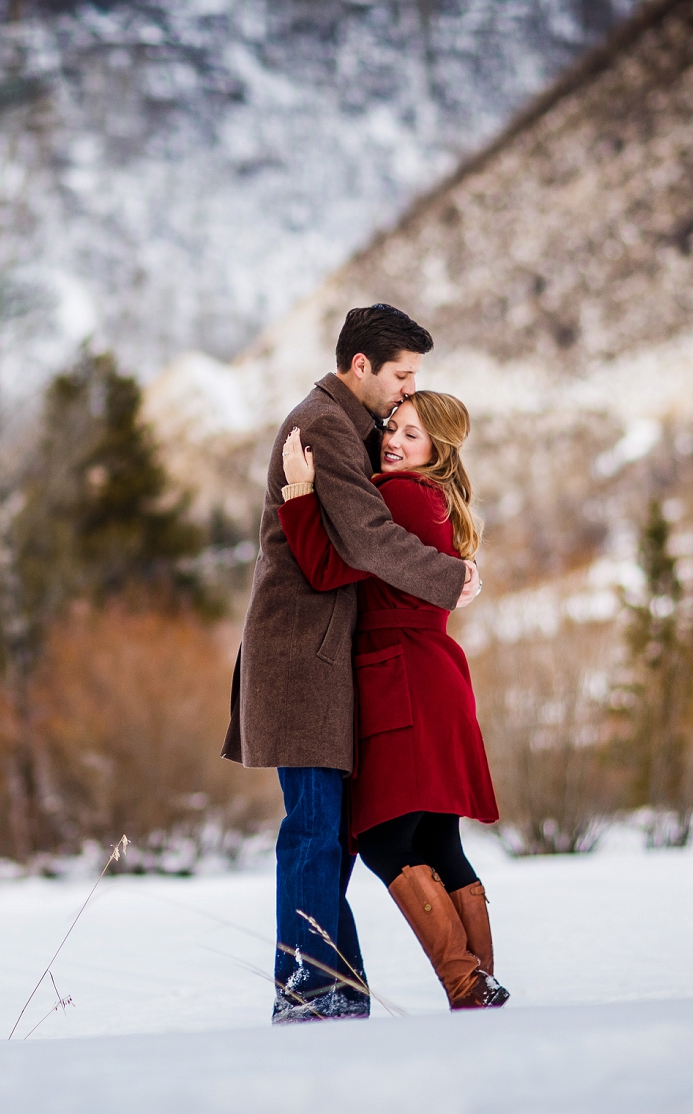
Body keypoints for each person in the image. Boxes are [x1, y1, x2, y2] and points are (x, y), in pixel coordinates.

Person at [223, 304, 480, 1024]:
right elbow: (363, 543)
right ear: (360, 366)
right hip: (301, 663)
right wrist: (448, 577)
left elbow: (349, 550)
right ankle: (306, 988)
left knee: (332, 834)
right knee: (313, 829)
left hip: (329, 663)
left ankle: (339, 988)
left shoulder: (358, 429)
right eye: (402, 375)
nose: (407, 391)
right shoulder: (324, 428)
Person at [276, 390, 509, 1010]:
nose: (393, 442)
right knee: (438, 842)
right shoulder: (436, 501)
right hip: (432, 676)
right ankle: (478, 984)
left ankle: (466, 984)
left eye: (412, 435)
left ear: (438, 449)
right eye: (392, 429)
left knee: (383, 839)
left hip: (398, 676)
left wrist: (299, 492)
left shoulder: (400, 495)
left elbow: (327, 568)